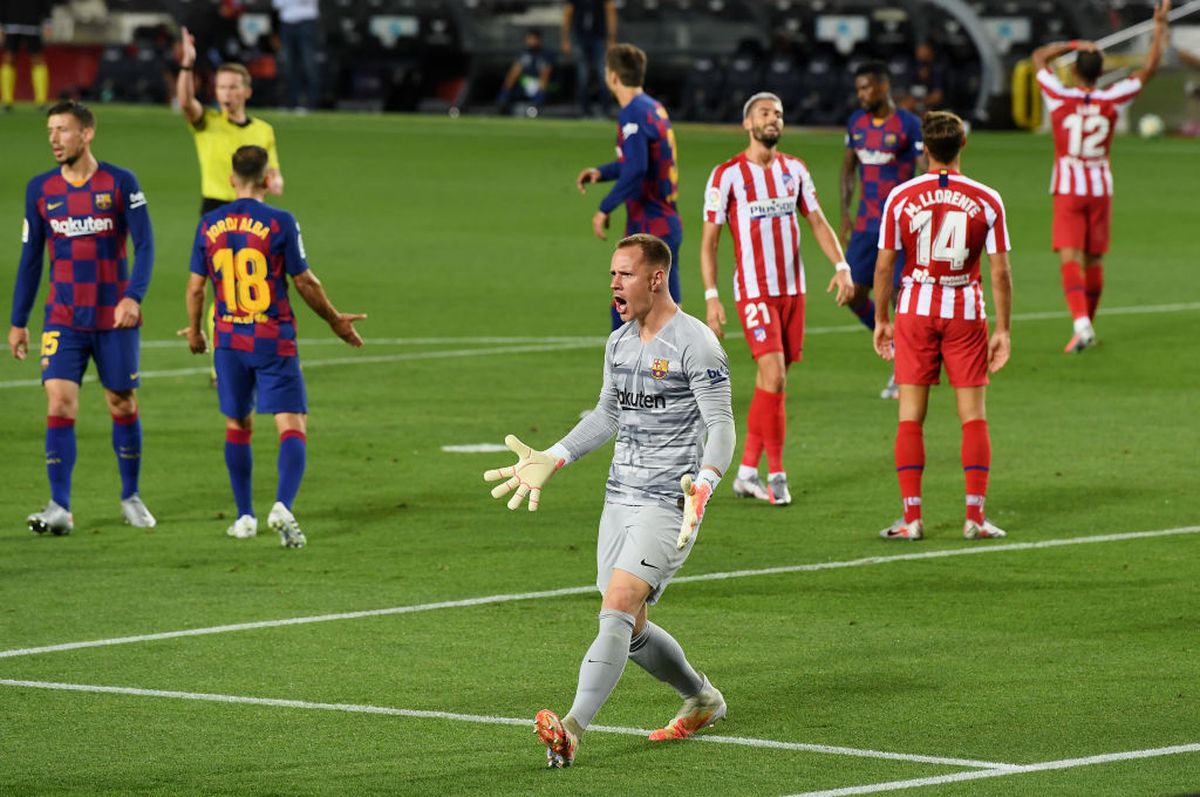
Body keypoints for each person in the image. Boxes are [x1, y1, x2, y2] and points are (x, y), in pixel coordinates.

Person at [483, 233, 734, 768]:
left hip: (671, 502)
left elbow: (721, 425)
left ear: (656, 278)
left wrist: (707, 481)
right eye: (612, 274)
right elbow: (607, 415)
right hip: (619, 497)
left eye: (624, 274)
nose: (614, 284)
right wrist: (554, 456)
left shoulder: (697, 343)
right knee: (630, 622)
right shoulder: (618, 342)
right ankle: (702, 697)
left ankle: (571, 729)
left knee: (616, 604)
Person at [183, 145, 366, 548]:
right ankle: (282, 505)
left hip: (228, 340)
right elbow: (305, 282)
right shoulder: (282, 222)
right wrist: (335, 320)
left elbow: (197, 288)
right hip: (271, 337)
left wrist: (196, 332)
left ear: (232, 180)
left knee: (237, 424)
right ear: (267, 180)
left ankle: (244, 516)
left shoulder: (209, 223)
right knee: (291, 423)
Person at [8, 101, 157, 535]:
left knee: (121, 402)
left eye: (63, 130)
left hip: (114, 318)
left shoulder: (120, 182)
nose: (54, 138)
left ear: (87, 133)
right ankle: (60, 506)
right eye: (50, 130)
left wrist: (133, 297)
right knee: (59, 401)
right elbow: (31, 259)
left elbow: (145, 246)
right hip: (64, 317)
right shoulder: (40, 190)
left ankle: (130, 496)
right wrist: (19, 321)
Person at [701, 92, 854, 506]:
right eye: (765, 114)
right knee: (776, 376)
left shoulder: (795, 170)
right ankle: (778, 474)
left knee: (772, 382)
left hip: (793, 290)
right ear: (748, 124)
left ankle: (746, 471)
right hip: (754, 291)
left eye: (779, 114)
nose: (774, 120)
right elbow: (710, 242)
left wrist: (841, 265)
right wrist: (712, 296)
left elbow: (818, 221)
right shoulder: (727, 175)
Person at [872, 111, 1013, 541]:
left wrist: (882, 319)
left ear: (925, 149)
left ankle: (912, 519)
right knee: (973, 417)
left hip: (915, 308)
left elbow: (884, 267)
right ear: (963, 144)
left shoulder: (900, 196)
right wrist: (1003, 329)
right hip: (966, 310)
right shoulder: (988, 199)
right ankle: (975, 517)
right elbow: (1000, 272)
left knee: (911, 416)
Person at [1031, 0, 1170, 353]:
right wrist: (1160, 25)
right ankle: (1086, 328)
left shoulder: (1058, 95)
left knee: (1069, 257)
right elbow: (1151, 67)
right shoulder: (1114, 97)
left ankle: (1081, 325)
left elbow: (1038, 58)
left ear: (1075, 71)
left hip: (1068, 187)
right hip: (1100, 188)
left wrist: (1074, 44)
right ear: (1101, 71)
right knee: (1094, 259)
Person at [577, 44, 681, 330]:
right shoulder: (653, 107)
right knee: (667, 316)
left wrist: (604, 207)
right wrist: (602, 172)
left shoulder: (632, 113)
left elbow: (637, 168)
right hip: (665, 222)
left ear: (611, 77)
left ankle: (626, 376)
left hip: (649, 227)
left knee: (626, 319)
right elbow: (637, 161)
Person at [839, 61, 925, 399]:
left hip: (902, 225)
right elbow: (848, 169)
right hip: (865, 225)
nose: (862, 94)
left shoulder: (908, 125)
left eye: (867, 87)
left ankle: (903, 368)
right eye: (859, 88)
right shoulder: (856, 123)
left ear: (884, 87)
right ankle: (893, 342)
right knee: (854, 294)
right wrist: (845, 212)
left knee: (901, 297)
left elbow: (923, 168)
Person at [177, 28, 284, 215]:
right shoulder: (207, 121)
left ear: (247, 92)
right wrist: (187, 65)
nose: (226, 92)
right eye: (222, 87)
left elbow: (273, 173)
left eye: (233, 87)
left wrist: (276, 183)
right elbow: (186, 102)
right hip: (216, 208)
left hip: (253, 210)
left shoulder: (263, 130)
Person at [561, 0, 615, 117]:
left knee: (603, 75)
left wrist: (611, 38)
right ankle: (585, 111)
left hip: (599, 37)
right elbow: (567, 13)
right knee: (583, 76)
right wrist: (565, 39)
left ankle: (606, 110)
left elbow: (610, 11)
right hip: (580, 38)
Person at [0, 0, 52, 111]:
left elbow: (45, 2)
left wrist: (48, 21)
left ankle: (41, 101)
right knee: (9, 59)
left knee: (37, 60)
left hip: (32, 23)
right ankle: (7, 101)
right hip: (11, 23)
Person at [271, 0, 321, 111]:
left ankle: (312, 103)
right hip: (286, 22)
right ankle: (292, 102)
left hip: (306, 21)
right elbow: (277, 4)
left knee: (309, 64)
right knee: (289, 65)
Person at [496, 29, 554, 114]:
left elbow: (545, 74)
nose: (531, 42)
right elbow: (514, 72)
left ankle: (535, 109)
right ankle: (502, 105)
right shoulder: (523, 54)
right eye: (529, 39)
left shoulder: (546, 54)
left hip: (539, 84)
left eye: (534, 39)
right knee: (509, 87)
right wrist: (506, 89)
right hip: (524, 84)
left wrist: (540, 89)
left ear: (539, 40)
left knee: (541, 89)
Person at [897, 42, 945, 117]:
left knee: (926, 114)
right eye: (919, 50)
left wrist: (921, 103)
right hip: (913, 101)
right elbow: (904, 92)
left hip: (929, 104)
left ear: (931, 52)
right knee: (903, 108)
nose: (921, 52)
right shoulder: (911, 68)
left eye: (925, 50)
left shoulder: (936, 69)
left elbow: (937, 96)